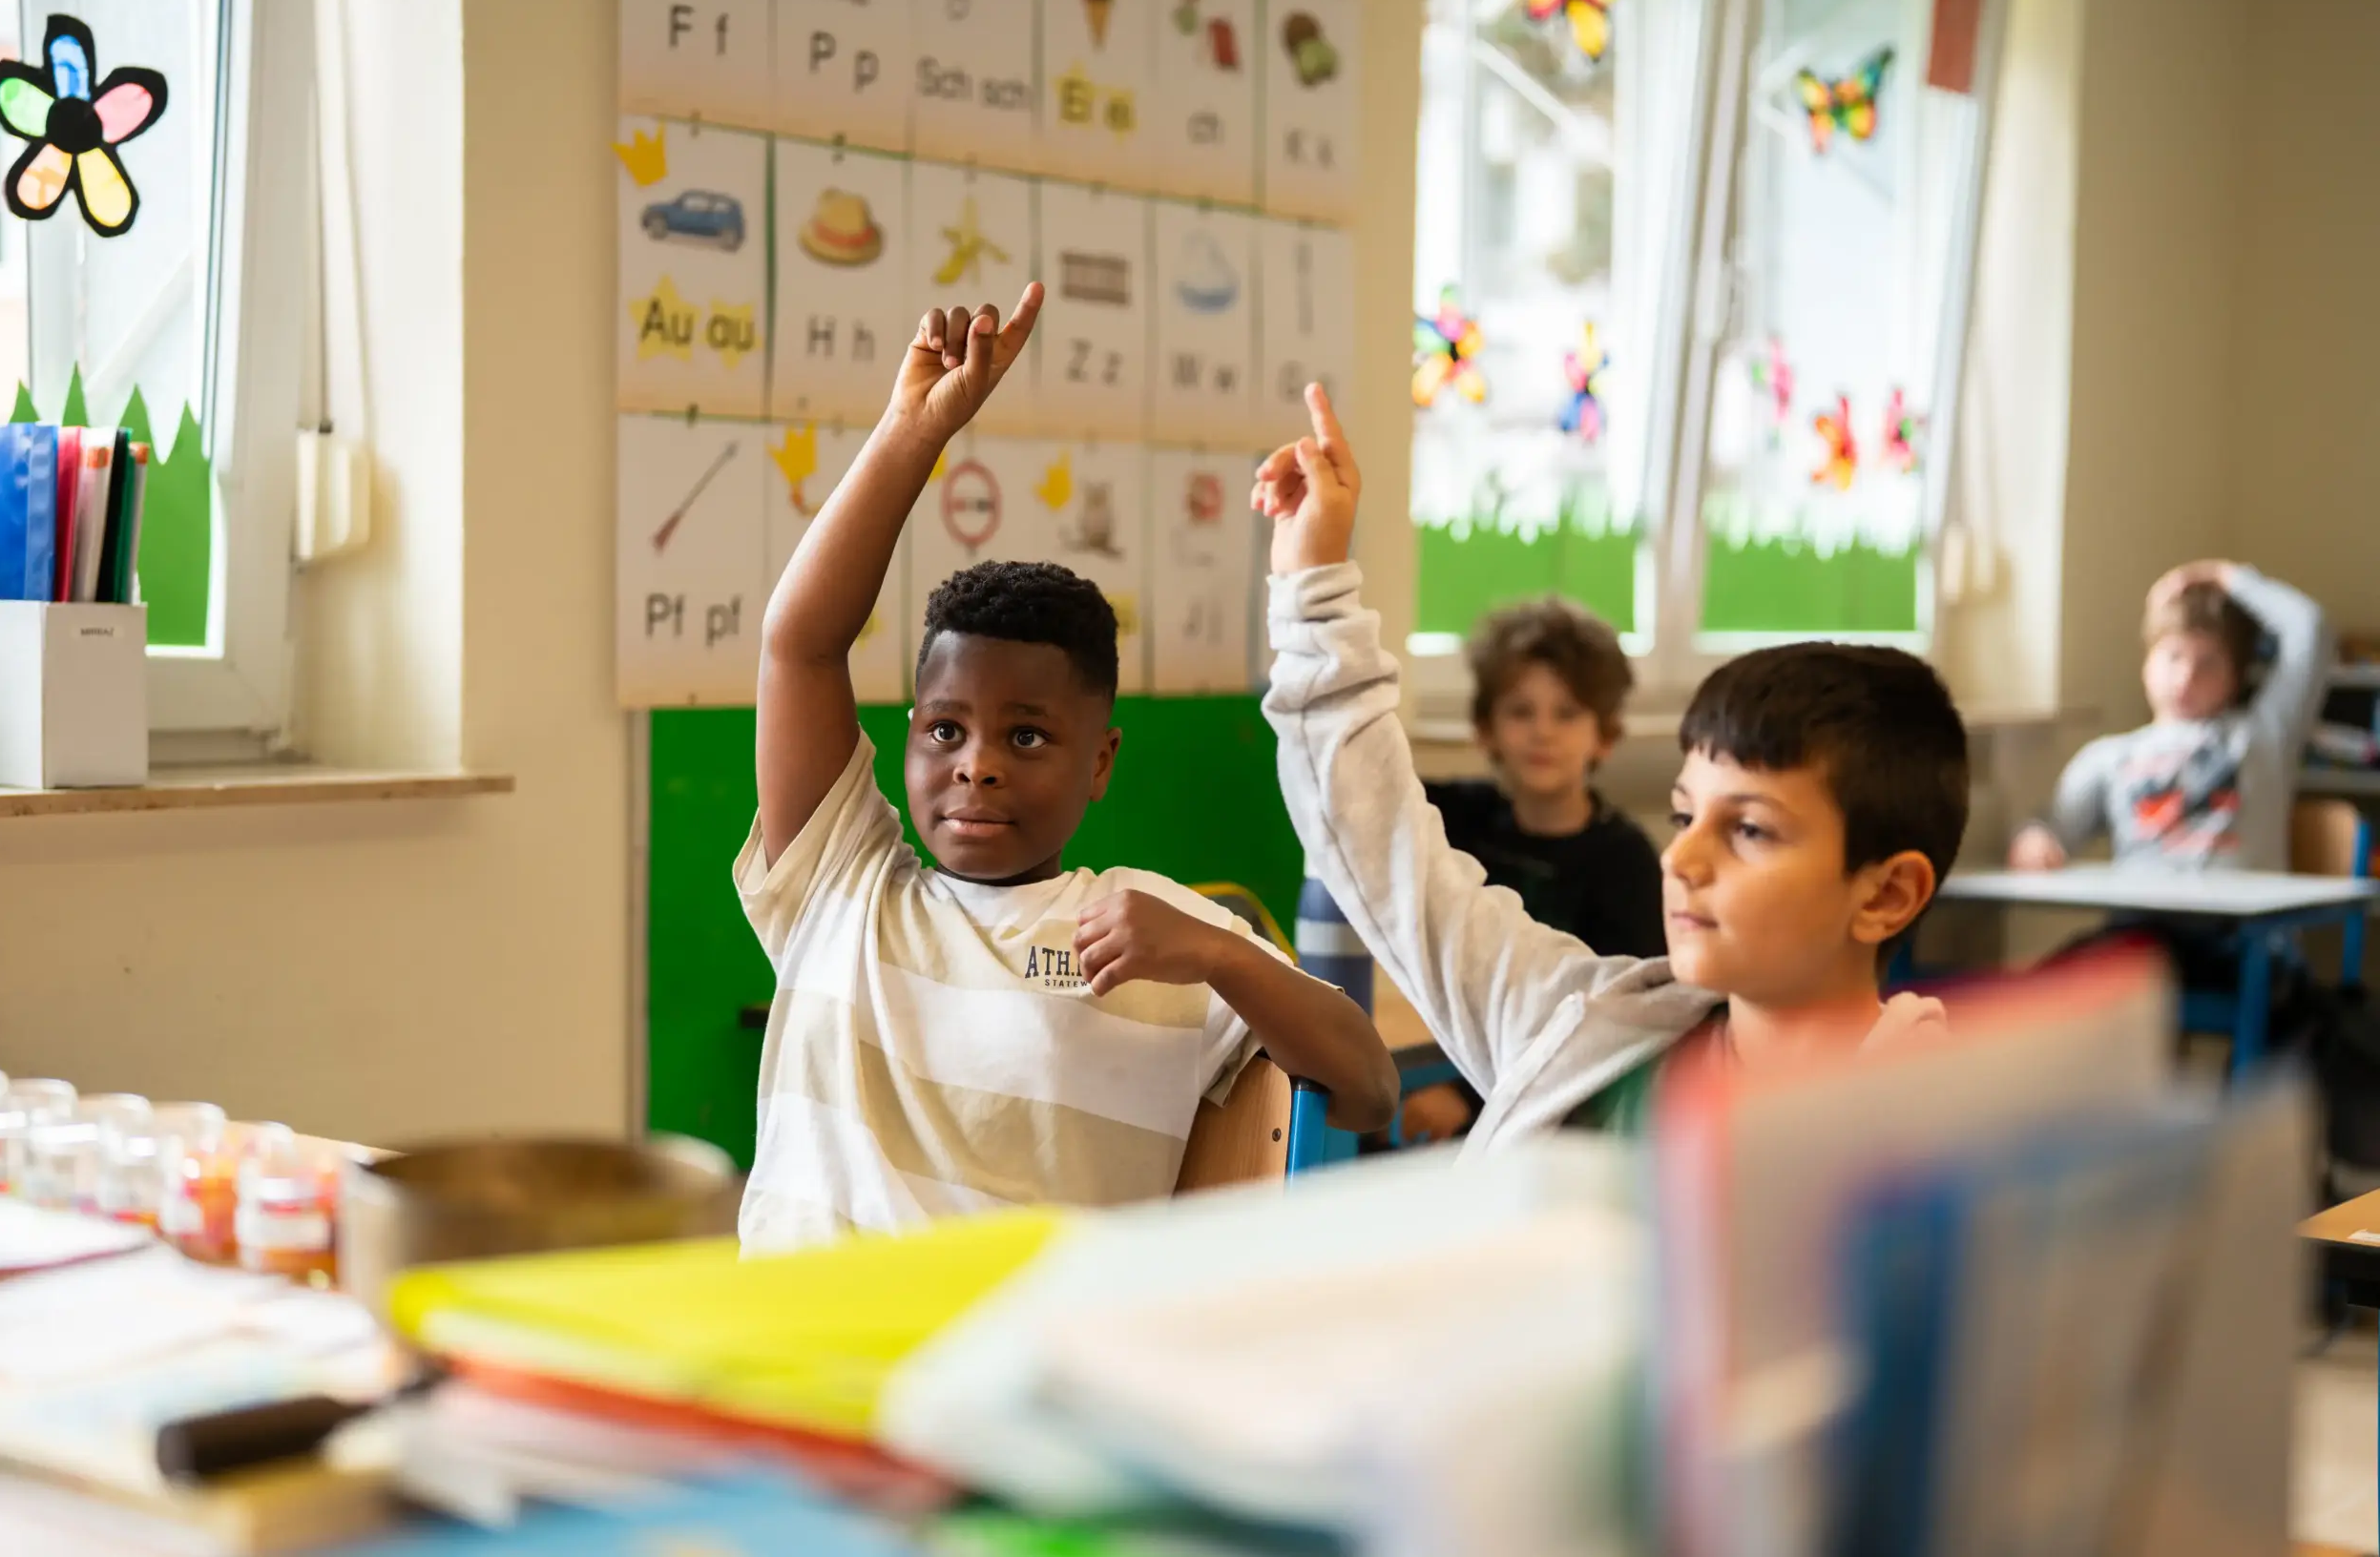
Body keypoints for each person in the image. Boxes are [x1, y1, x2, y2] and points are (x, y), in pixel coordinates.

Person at [735, 289, 1397, 1253]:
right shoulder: (841, 880)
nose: (979, 769)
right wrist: (912, 430)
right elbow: (798, 645)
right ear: (911, 734)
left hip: (994, 1378)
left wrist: (1217, 954)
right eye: (946, 732)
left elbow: (1371, 1085)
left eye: (1028, 737)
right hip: (781, 1360)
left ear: (1102, 761)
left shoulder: (1151, 933)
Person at [1254, 387, 1965, 1144]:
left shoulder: (1935, 1147)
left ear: (1887, 894)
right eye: (1687, 815)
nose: (1684, 858)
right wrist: (1313, 589)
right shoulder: (1591, 1036)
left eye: (1751, 830)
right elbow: (1388, 853)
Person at [1405, 598, 1663, 1143]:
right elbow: (1378, 803)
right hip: (1453, 1049)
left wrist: (1463, 1095)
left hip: (1561, 1109)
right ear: (1485, 730)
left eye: (1567, 713)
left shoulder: (1627, 862)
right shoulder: (1458, 819)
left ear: (1605, 736)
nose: (1542, 732)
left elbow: (1618, 1024)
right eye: (1520, 712)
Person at [2010, 560, 2330, 874]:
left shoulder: (2264, 735)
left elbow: (2309, 627)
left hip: (2245, 924)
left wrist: (2222, 576)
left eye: (2207, 664)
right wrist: (2035, 840)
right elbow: (2053, 825)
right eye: (2174, 656)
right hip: (2144, 921)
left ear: (2235, 676)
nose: (2186, 677)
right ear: (2147, 663)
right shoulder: (2108, 758)